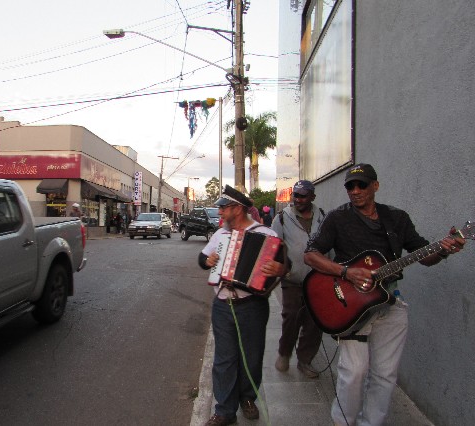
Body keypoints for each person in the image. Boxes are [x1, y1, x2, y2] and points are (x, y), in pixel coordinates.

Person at [303, 164, 466, 426]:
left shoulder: (397, 219)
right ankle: (343, 422)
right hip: (351, 306)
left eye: (361, 185)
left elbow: (425, 255)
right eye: (350, 186)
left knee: (385, 375)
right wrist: (346, 273)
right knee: (353, 373)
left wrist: (445, 249)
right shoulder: (337, 219)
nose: (355, 191)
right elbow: (311, 255)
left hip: (389, 303)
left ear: (375, 186)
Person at [198, 185, 288, 426]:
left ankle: (247, 398)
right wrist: (208, 261)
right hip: (222, 305)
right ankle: (225, 410)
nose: (219, 214)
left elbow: (283, 266)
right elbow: (202, 259)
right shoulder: (220, 235)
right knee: (224, 358)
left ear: (237, 209)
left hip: (252, 305)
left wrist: (280, 269)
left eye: (223, 209)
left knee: (252, 355)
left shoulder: (267, 234)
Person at [271, 180, 325, 379]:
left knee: (314, 322)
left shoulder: (323, 217)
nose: (298, 199)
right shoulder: (282, 218)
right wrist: (282, 268)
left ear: (312, 197)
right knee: (291, 318)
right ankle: (284, 353)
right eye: (296, 195)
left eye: (303, 195)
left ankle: (305, 360)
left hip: (319, 281)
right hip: (293, 279)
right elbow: (274, 246)